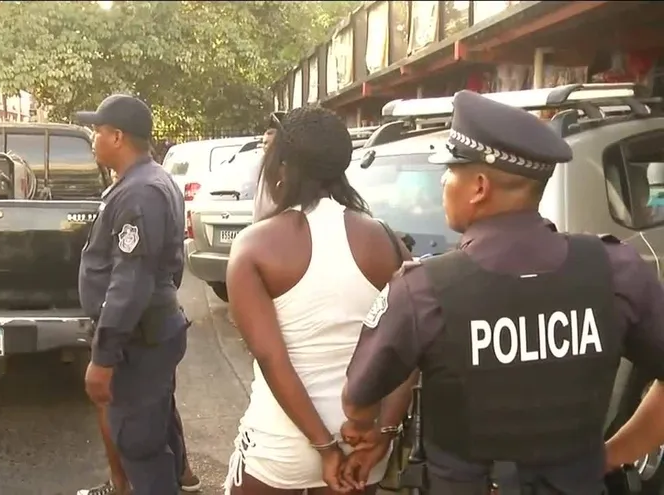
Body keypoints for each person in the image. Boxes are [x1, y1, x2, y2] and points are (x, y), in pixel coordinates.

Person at [340, 90, 664, 494]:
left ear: (478, 186)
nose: (443, 180)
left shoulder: (424, 289)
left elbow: (357, 399)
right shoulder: (616, 270)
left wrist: (365, 429)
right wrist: (614, 453)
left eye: (450, 169)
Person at [222, 106, 415, 495]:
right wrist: (384, 433)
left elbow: (273, 360)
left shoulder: (255, 246)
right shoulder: (385, 240)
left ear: (282, 166)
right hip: (363, 445)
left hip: (282, 445)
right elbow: (407, 351)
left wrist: (324, 448)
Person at [75, 94, 193, 495]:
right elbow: (168, 268)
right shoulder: (149, 180)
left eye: (98, 131)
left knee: (139, 444)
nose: (94, 139)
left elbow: (131, 282)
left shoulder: (139, 192)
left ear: (118, 136)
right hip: (153, 331)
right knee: (156, 430)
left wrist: (104, 356)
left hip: (140, 340)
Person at [251, 125, 278, 223]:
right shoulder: (261, 163)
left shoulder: (281, 166)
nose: (266, 147)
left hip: (272, 221)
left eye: (269, 143)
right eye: (264, 143)